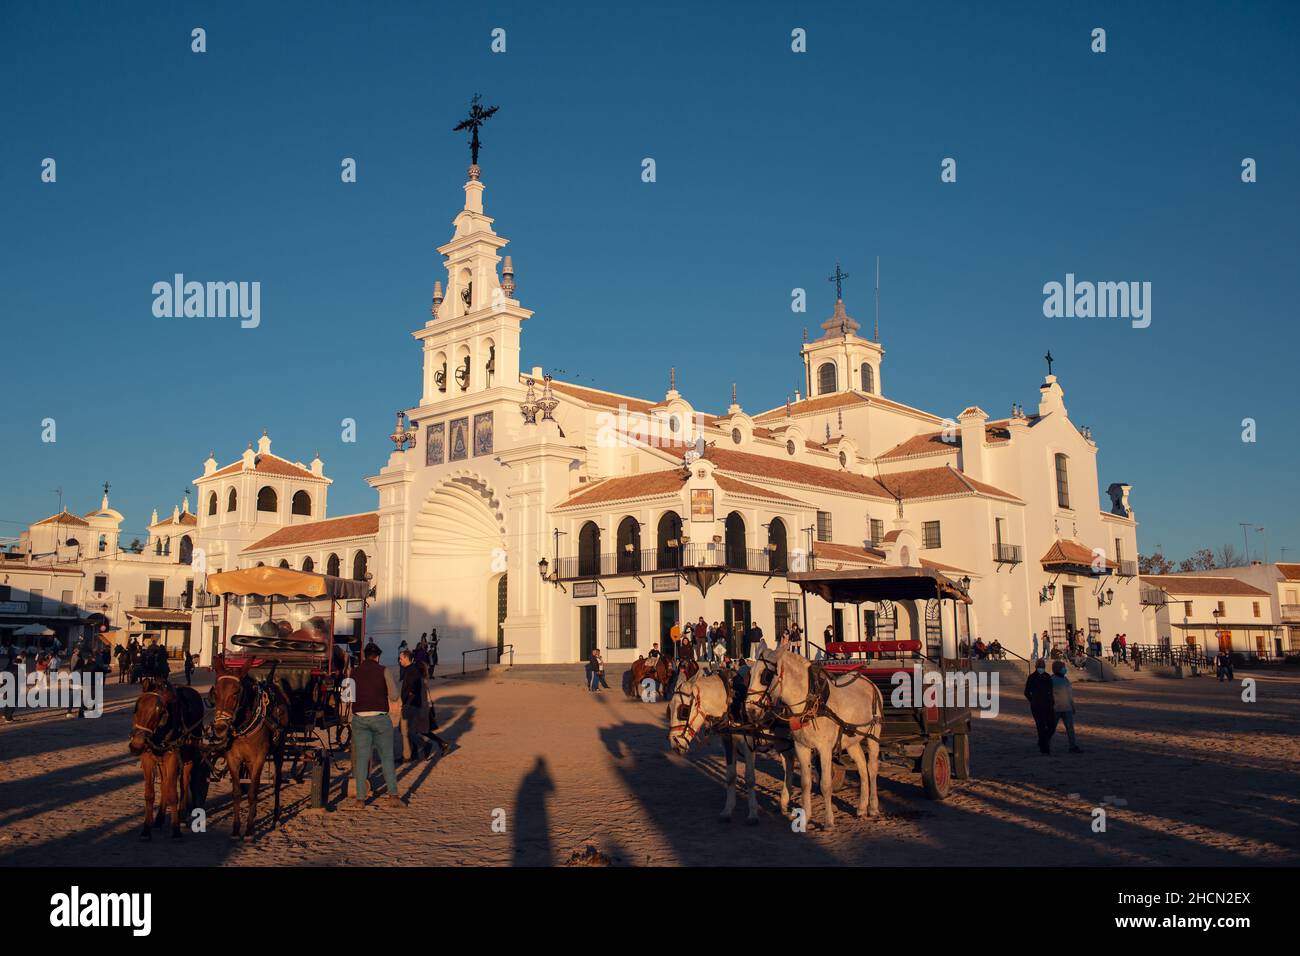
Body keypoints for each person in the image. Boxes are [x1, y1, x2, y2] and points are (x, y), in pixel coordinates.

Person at [342, 643, 404, 809]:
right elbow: (394, 696)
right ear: (377, 656)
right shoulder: (383, 670)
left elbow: (346, 698)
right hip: (380, 718)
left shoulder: (354, 672)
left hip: (360, 719)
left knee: (362, 759)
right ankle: (393, 796)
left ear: (364, 656)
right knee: (386, 757)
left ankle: (360, 800)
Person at [397, 649, 430, 762]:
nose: (399, 660)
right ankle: (414, 753)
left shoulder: (412, 671)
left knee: (407, 731)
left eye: (401, 658)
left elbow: (413, 690)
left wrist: (407, 704)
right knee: (409, 730)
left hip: (411, 705)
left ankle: (425, 745)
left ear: (406, 658)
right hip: (410, 704)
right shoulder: (409, 670)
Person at [1024, 659, 1056, 755]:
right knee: (1041, 726)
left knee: (1051, 726)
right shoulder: (1032, 677)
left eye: (1042, 666)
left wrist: (1051, 701)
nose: (1041, 667)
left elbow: (1051, 690)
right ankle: (1044, 748)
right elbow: (1026, 692)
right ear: (1036, 667)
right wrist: (1033, 700)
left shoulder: (1047, 676)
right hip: (1037, 706)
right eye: (1040, 666)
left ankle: (1042, 741)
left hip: (1048, 705)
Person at [1050, 660, 1082, 753]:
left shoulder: (1066, 679)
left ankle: (1073, 746)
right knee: (1051, 728)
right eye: (1063, 667)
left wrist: (1072, 706)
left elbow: (1069, 695)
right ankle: (1046, 745)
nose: (1064, 669)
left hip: (1067, 708)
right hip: (1056, 708)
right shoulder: (1051, 680)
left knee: (1070, 729)